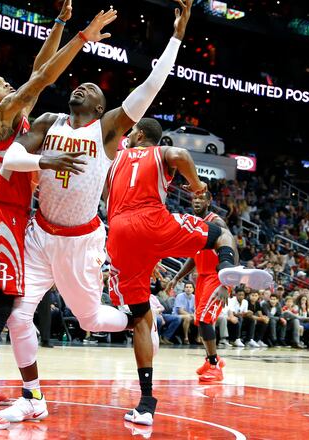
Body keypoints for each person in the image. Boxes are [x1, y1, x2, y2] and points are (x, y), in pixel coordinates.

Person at [0, 1, 209, 425]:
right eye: (80, 85)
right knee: (18, 316)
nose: (83, 87)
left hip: (81, 239)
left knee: (91, 320)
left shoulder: (107, 131)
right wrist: (45, 163)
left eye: (92, 89)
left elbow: (152, 84)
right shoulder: (50, 120)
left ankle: (138, 315)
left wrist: (177, 37)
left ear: (100, 108)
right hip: (39, 235)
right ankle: (32, 394)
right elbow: (9, 161)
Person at [0, 4, 118, 430]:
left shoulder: (16, 112)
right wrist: (80, 39)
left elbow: (40, 68)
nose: (10, 83)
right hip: (1, 212)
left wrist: (59, 25)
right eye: (1, 83)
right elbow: (43, 77)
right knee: (1, 303)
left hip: (12, 213)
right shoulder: (2, 116)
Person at [105, 116, 273, 425]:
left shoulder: (115, 158)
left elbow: (105, 195)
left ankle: (145, 402)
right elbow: (181, 156)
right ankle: (227, 267)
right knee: (222, 235)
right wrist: (197, 185)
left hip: (117, 233)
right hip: (152, 223)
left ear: (139, 134)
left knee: (141, 317)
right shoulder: (157, 152)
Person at [167, 191, 229, 382]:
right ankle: (213, 358)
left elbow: (231, 250)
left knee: (204, 320)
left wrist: (226, 283)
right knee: (200, 321)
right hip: (202, 278)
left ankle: (214, 366)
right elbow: (194, 256)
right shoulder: (196, 224)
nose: (197, 201)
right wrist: (177, 278)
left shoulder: (217, 222)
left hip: (216, 278)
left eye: (201, 198)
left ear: (209, 201)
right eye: (194, 198)